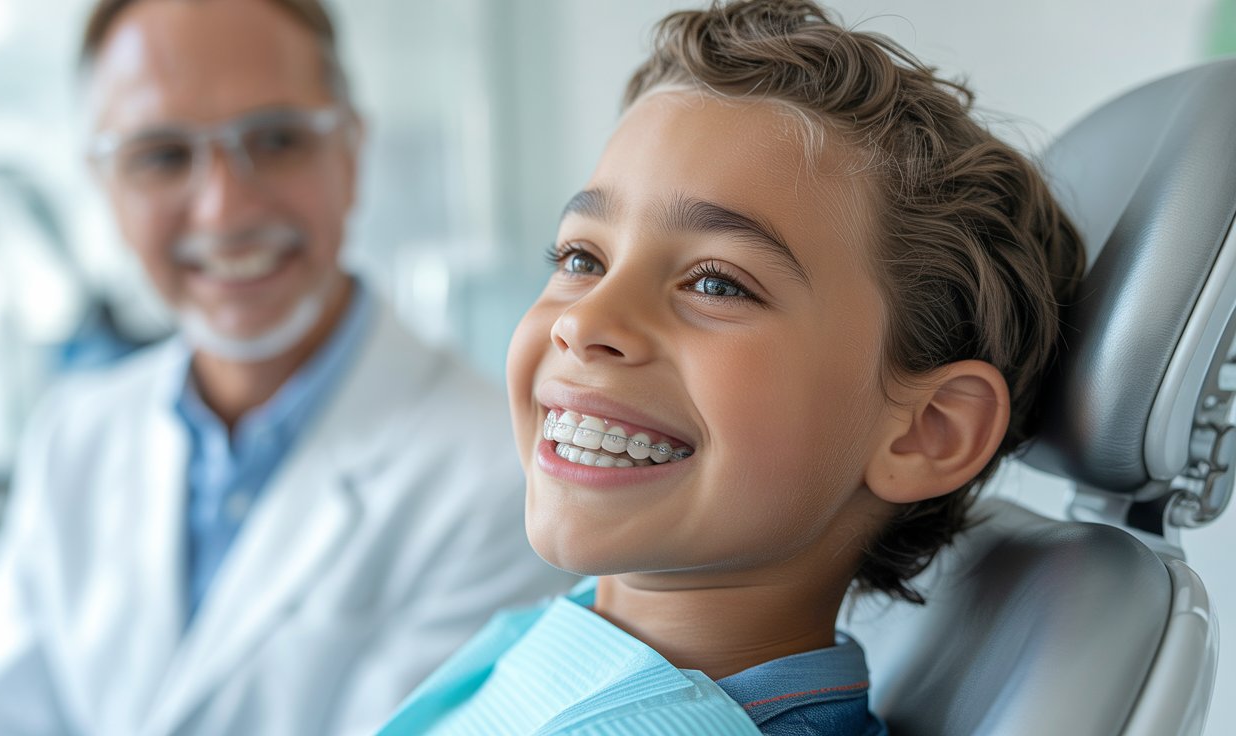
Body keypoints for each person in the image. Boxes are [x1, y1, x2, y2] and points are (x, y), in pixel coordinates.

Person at [376, 1, 1086, 733]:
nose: (582, 322)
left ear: (927, 432)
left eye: (716, 283)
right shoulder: (568, 635)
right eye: (582, 258)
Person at [0, 0, 573, 733]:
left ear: (351, 152)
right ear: (107, 185)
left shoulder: (506, 478)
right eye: (162, 156)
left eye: (276, 140)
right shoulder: (75, 433)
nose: (225, 208)